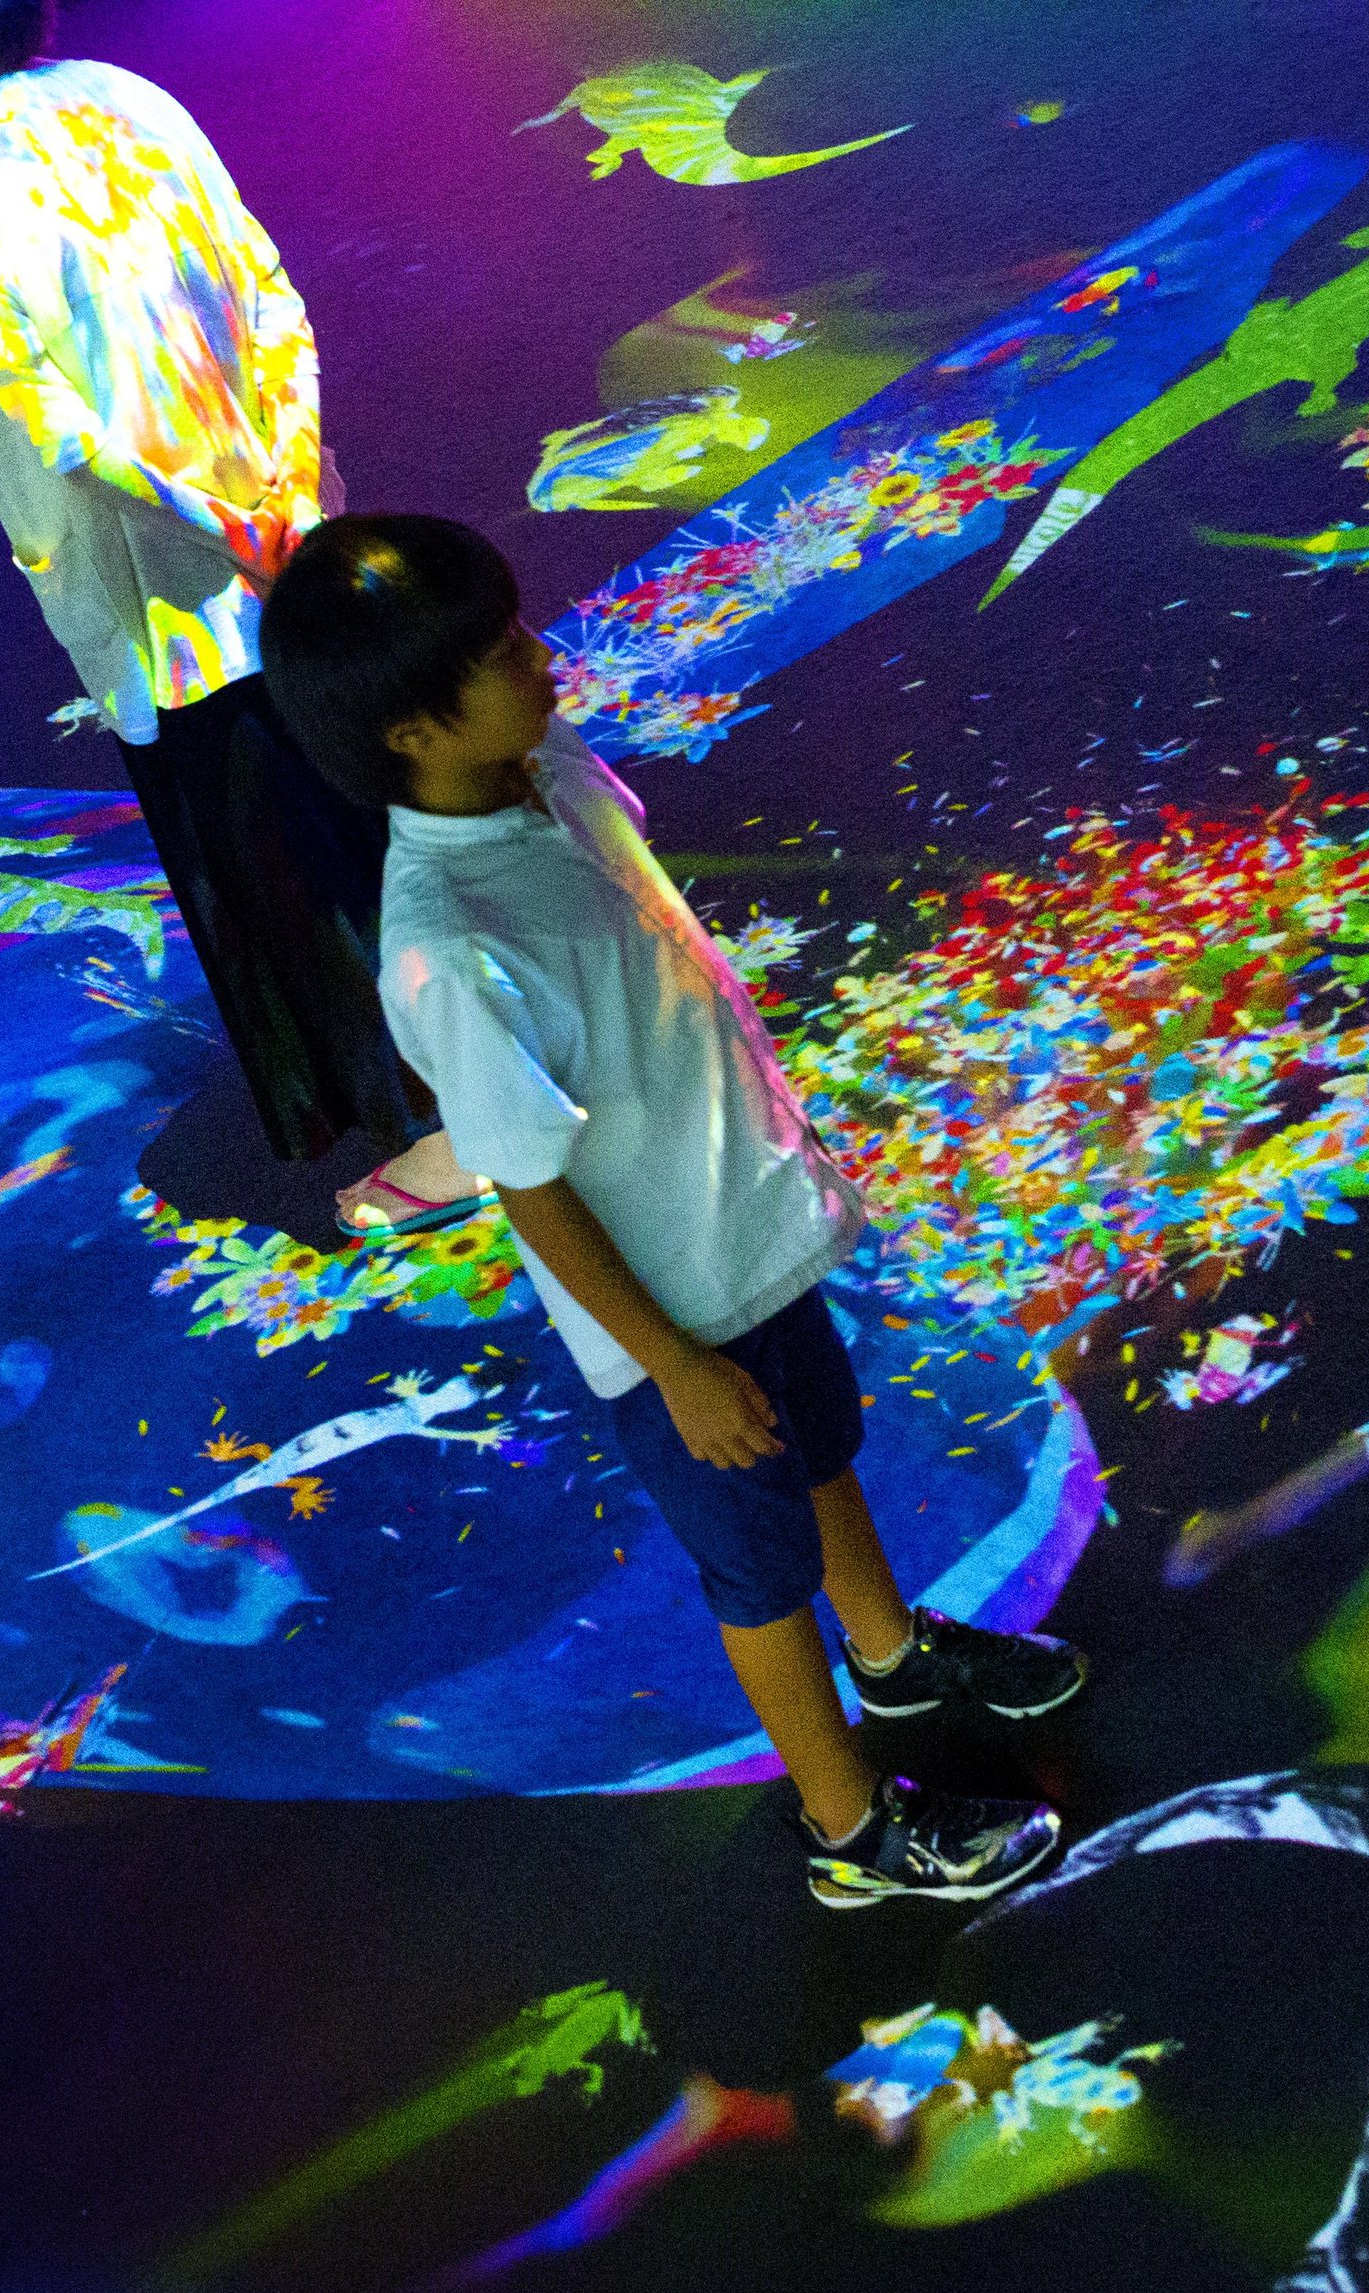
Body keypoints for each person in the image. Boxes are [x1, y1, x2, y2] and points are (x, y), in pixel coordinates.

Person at [262, 515, 1084, 1909]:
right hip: (674, 1316)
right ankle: (850, 1833)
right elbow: (529, 1186)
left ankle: (891, 1657)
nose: (541, 655)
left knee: (821, 1453)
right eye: (499, 651)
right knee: (758, 1572)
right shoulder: (448, 944)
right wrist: (674, 1365)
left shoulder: (540, 773)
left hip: (747, 1226)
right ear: (410, 731)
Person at [0, 0, 479, 1239]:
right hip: (285, 534)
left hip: (169, 593)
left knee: (285, 866)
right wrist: (286, 499)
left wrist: (225, 531)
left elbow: (59, 430)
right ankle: (489, 1069)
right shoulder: (130, 95)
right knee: (371, 817)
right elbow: (271, 295)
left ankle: (443, 1132)